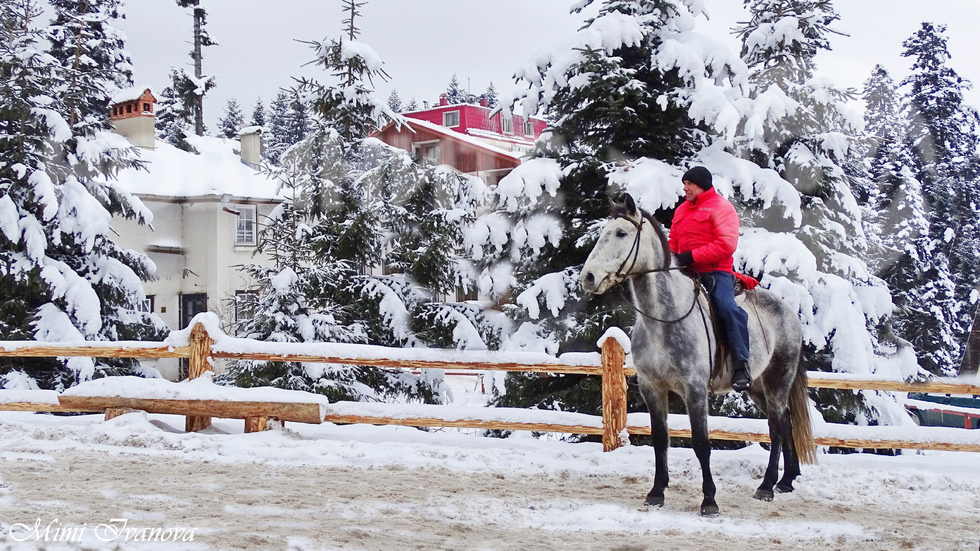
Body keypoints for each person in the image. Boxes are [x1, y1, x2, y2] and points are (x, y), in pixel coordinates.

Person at [668, 166, 752, 391]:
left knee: (727, 308)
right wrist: (672, 259)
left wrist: (691, 256)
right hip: (685, 271)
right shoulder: (681, 210)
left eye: (690, 184)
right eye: (684, 183)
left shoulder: (722, 208)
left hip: (715, 273)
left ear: (702, 184)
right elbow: (673, 243)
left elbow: (726, 245)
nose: (685, 188)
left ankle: (741, 364)